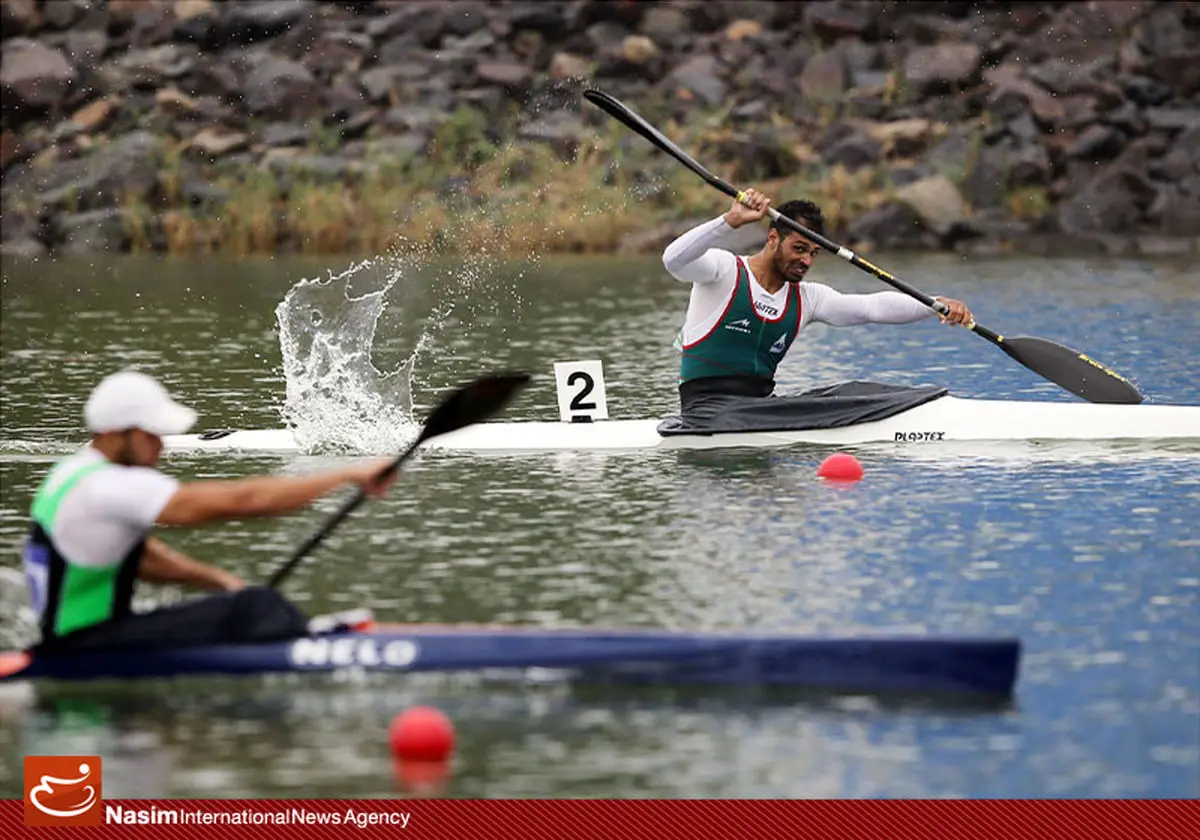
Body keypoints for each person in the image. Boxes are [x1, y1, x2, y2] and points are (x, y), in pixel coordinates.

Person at [21, 369, 397, 653]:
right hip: (89, 648)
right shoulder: (108, 485)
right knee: (255, 609)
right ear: (118, 434)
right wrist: (347, 474)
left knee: (240, 601)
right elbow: (240, 501)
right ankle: (318, 646)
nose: (161, 446)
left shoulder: (70, 474)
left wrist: (222, 583)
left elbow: (142, 560)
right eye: (152, 435)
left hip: (74, 642)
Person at [660, 190, 974, 428]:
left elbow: (872, 308)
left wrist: (935, 305)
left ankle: (927, 407)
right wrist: (730, 221)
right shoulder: (723, 271)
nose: (806, 261)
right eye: (799, 248)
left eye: (813, 253)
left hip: (758, 411)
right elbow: (674, 260)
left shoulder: (808, 298)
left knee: (854, 391)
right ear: (772, 238)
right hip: (705, 412)